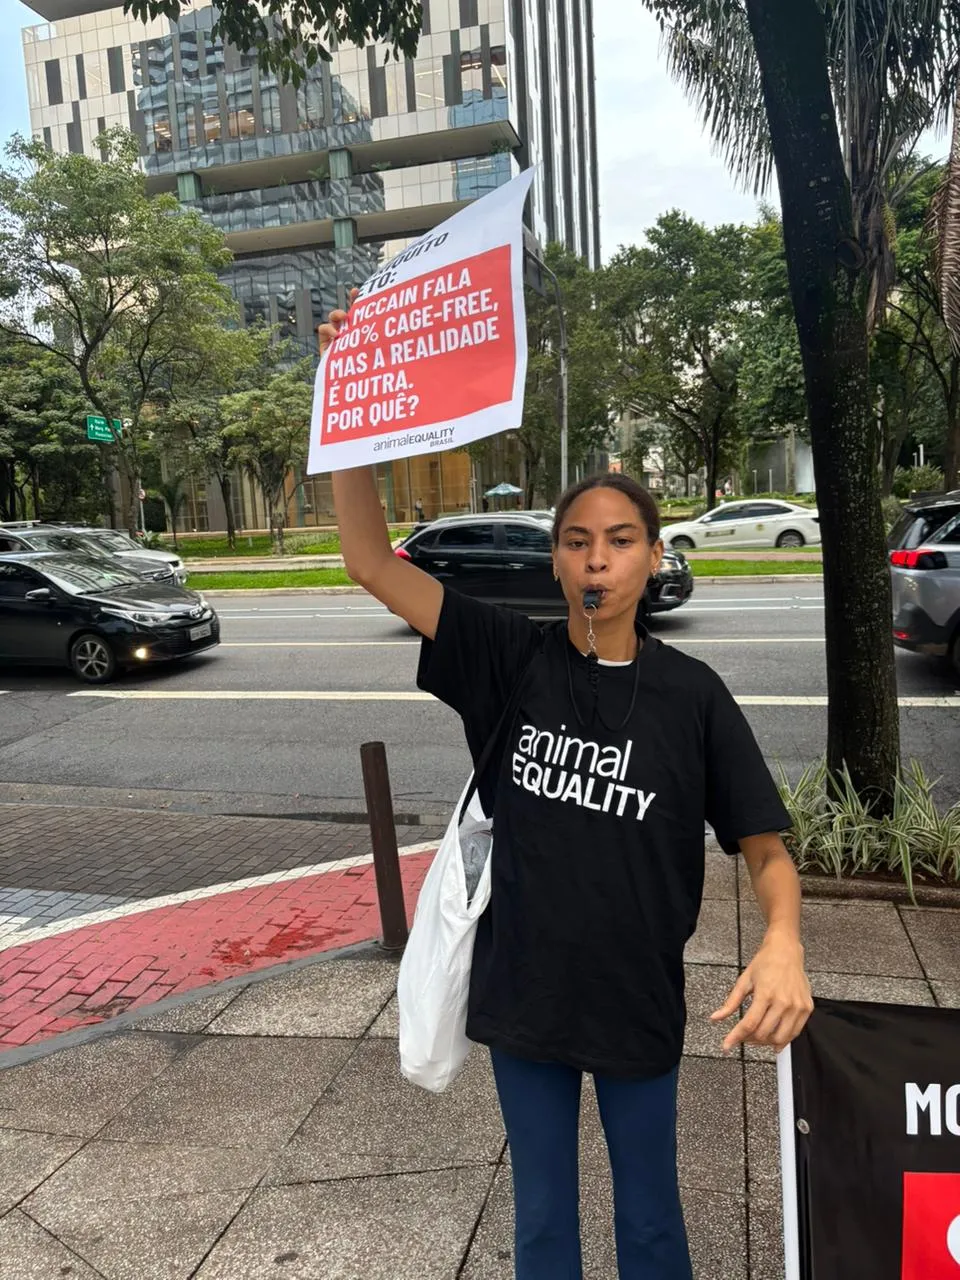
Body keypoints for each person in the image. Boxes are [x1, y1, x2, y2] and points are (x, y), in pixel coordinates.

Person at [320, 303, 813, 1280]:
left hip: (635, 998)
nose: (597, 558)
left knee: (652, 1220)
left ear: (655, 555)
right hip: (527, 995)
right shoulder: (509, 658)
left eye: (621, 540)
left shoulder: (693, 695)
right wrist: (347, 403)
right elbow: (371, 562)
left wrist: (785, 940)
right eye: (578, 540)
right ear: (554, 558)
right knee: (542, 1217)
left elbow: (764, 845)